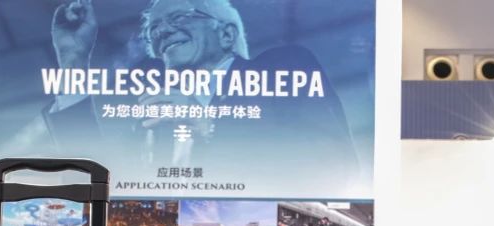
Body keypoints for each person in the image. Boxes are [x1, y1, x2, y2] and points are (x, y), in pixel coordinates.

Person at [43, 0, 359, 176]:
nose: (162, 31)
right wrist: (73, 60)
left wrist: (209, 125)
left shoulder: (283, 68)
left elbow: (333, 163)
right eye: (153, 30)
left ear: (226, 34)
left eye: (179, 17)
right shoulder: (152, 114)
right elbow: (94, 175)